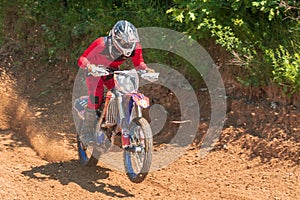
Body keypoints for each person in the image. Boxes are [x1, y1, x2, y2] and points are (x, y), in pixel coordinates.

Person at [77, 20, 154, 147]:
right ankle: (86, 133)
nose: (128, 44)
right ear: (115, 38)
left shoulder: (135, 47)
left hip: (111, 72)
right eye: (124, 42)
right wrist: (89, 66)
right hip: (94, 72)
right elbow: (82, 58)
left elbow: (139, 63)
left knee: (124, 93)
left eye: (130, 42)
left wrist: (146, 70)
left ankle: (117, 124)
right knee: (96, 98)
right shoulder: (101, 44)